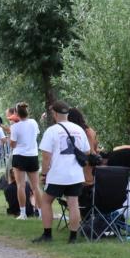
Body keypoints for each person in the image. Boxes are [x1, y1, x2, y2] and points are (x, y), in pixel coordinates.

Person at [33, 100, 90, 244]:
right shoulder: (79, 129)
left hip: (57, 174)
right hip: (75, 174)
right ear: (68, 113)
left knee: (46, 201)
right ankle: (73, 237)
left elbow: (46, 157)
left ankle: (47, 235)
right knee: (73, 203)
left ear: (55, 113)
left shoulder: (52, 130)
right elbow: (87, 151)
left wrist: (44, 174)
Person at [8, 102, 42, 219]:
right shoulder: (33, 122)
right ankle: (41, 213)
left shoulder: (14, 127)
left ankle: (23, 213)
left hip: (19, 156)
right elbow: (35, 135)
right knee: (36, 186)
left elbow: (13, 144)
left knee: (20, 186)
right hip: (32, 155)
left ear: (16, 113)